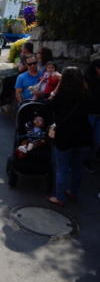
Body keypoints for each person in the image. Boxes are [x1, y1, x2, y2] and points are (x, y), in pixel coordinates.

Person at [47, 67, 92, 206]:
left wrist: (56, 89)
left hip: (65, 135)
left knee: (62, 168)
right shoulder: (86, 94)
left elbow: (49, 106)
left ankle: (59, 197)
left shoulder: (60, 95)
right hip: (83, 134)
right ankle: (73, 192)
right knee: (78, 167)